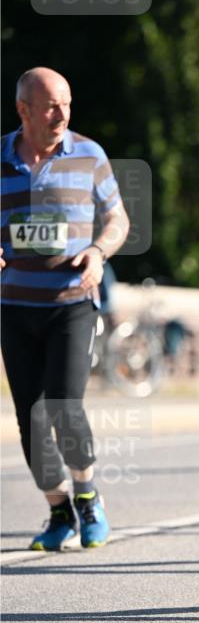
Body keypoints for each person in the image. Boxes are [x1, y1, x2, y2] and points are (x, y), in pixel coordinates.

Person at [1, 67, 129, 549]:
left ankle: (88, 496)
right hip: (13, 306)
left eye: (67, 104)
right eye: (52, 106)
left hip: (72, 303)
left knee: (65, 407)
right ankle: (58, 512)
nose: (62, 114)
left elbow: (117, 218)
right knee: (29, 418)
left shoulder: (89, 154)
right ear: (24, 110)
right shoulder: (0, 156)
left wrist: (97, 252)